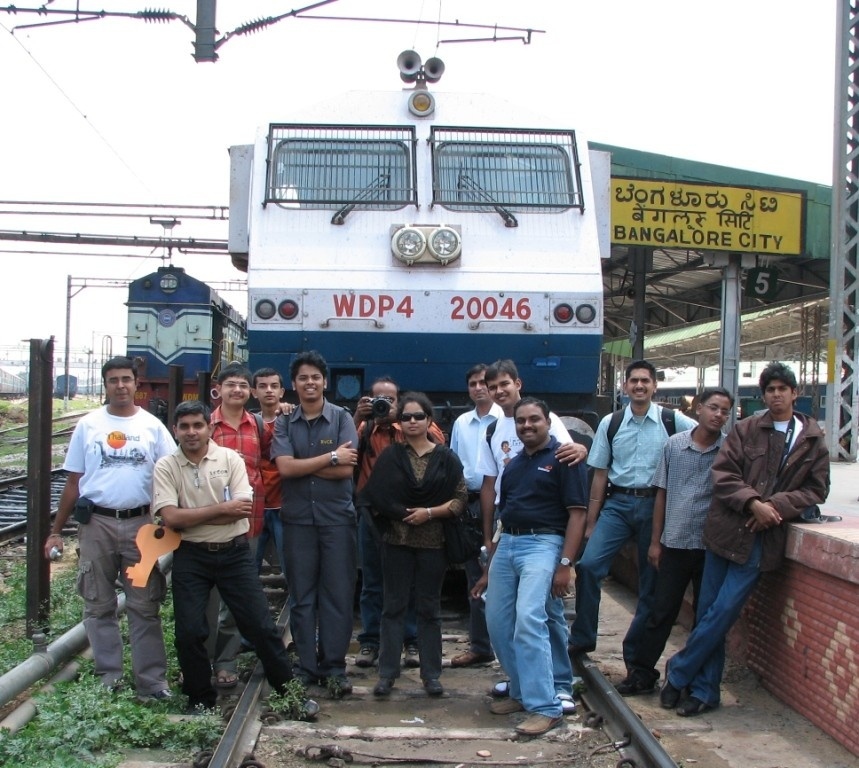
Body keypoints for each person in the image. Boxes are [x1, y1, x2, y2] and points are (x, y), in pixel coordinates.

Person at [660, 363, 829, 716]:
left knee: (724, 611)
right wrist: (753, 502)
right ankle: (705, 691)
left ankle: (679, 671)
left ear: (795, 393)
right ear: (763, 395)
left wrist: (775, 506)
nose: (776, 394)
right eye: (770, 389)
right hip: (725, 530)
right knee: (709, 611)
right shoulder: (746, 430)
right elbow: (723, 474)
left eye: (783, 388)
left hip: (760, 539)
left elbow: (817, 489)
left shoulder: (812, 439)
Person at [153, 400, 319, 718]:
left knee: (260, 627)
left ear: (209, 428)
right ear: (175, 430)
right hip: (190, 556)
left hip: (234, 553)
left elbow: (241, 508)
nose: (191, 432)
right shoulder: (166, 466)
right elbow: (171, 518)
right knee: (190, 632)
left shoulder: (230, 459)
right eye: (184, 426)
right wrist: (219, 511)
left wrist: (193, 516)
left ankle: (291, 695)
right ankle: (200, 699)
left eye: (197, 425)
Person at [44, 356, 175, 701]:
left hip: (140, 527)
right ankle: (109, 678)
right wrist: (56, 530)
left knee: (144, 604)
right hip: (97, 526)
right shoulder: (89, 426)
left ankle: (152, 682)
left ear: (136, 384)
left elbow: (171, 476)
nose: (120, 385)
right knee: (98, 604)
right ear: (106, 385)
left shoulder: (153, 427)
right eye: (114, 380)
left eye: (126, 379)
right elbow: (74, 481)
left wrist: (171, 520)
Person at [569, 360, 697, 682]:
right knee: (588, 565)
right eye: (634, 381)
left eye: (645, 381)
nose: (639, 386)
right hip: (618, 504)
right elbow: (599, 474)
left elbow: (709, 435)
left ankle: (635, 660)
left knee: (650, 587)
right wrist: (591, 521)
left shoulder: (672, 420)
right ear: (625, 387)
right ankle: (582, 638)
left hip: (657, 507)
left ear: (654, 387)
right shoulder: (611, 424)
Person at [474, 359, 586, 710]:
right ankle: (522, 689)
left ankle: (548, 701)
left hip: (543, 543)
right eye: (522, 421)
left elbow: (577, 513)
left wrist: (566, 563)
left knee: (532, 619)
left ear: (547, 422)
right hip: (508, 542)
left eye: (534, 420)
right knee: (497, 619)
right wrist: (491, 552)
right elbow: (494, 496)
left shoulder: (563, 456)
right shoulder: (515, 461)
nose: (526, 425)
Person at [616, 387, 733, 696]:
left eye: (725, 411)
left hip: (711, 548)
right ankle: (642, 673)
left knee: (706, 618)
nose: (718, 415)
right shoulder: (674, 446)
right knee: (661, 611)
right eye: (713, 407)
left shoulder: (729, 451)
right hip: (675, 544)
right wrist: (655, 541)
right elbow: (661, 494)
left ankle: (693, 679)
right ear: (699, 409)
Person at [359, 392, 468, 698]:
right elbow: (373, 497)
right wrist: (396, 516)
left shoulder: (446, 458)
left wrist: (429, 513)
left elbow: (460, 499)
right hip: (396, 541)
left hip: (434, 544)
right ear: (400, 422)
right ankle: (387, 673)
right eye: (405, 417)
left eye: (418, 416)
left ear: (429, 421)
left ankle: (431, 674)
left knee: (429, 608)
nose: (411, 422)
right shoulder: (391, 457)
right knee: (392, 607)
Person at [272, 350, 359, 692]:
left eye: (315, 377)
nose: (310, 383)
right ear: (294, 384)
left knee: (337, 595)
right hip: (298, 522)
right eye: (303, 378)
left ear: (325, 381)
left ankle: (335, 667)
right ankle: (307, 666)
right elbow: (284, 469)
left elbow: (346, 470)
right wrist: (330, 457)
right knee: (302, 596)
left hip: (336, 520)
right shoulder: (284, 422)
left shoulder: (341, 418)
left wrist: (303, 464)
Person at [353, 377, 443, 670]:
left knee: (410, 582)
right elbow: (347, 450)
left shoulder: (409, 423)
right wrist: (359, 417)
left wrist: (402, 418)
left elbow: (438, 445)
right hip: (372, 516)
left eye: (390, 399)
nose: (384, 404)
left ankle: (411, 641)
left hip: (408, 516)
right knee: (372, 581)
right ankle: (370, 640)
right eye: (378, 399)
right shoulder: (365, 428)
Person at [209, 362, 269, 689]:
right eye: (231, 385)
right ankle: (201, 659)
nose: (237, 390)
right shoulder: (205, 425)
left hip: (249, 521)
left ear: (251, 392)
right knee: (207, 597)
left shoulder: (257, 425)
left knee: (234, 598)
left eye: (243, 386)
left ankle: (225, 661)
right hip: (209, 523)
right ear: (219, 389)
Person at [448, 363, 503, 668]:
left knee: (503, 576)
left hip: (500, 503)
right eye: (473, 383)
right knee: (476, 576)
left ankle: (506, 646)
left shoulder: (508, 420)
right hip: (469, 503)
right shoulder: (461, 423)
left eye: (484, 382)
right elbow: (455, 463)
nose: (479, 388)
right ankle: (481, 646)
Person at [252, 367, 287, 575]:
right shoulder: (248, 423)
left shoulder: (290, 420)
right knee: (249, 569)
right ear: (254, 392)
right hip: (255, 505)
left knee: (289, 565)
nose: (269, 391)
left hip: (283, 505)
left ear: (282, 392)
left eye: (274, 386)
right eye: (263, 386)